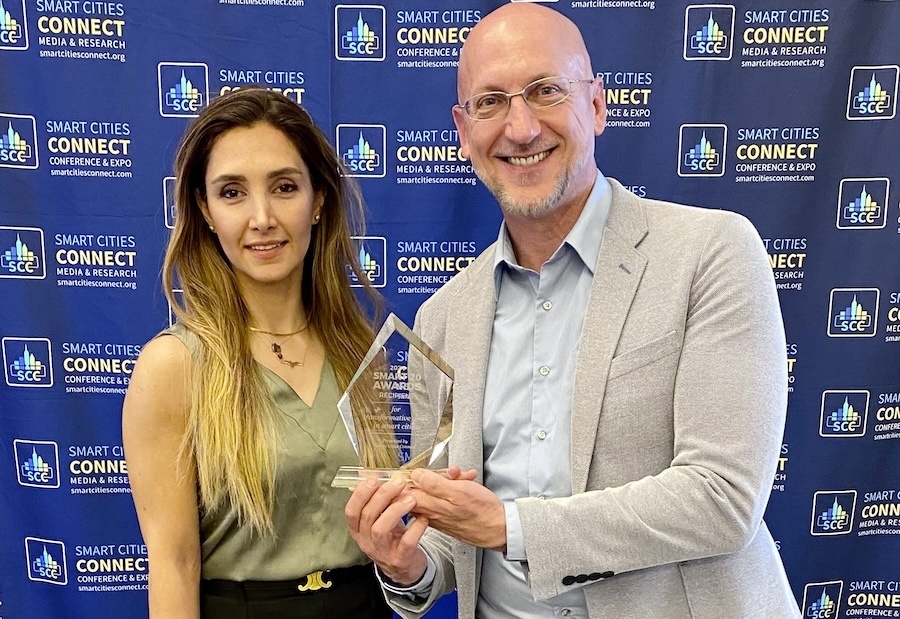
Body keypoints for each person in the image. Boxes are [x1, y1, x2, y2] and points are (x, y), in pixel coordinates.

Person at [345, 4, 801, 618]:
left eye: (546, 91)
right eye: (491, 102)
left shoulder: (711, 252)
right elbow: (455, 538)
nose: (522, 127)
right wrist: (408, 565)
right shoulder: (444, 317)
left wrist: (512, 526)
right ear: (462, 129)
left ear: (597, 105)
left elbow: (722, 499)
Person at [122, 88, 394, 619]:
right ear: (204, 210)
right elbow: (174, 565)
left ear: (318, 201)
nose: (262, 217)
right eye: (232, 193)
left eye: (285, 187)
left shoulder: (362, 353)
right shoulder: (175, 366)